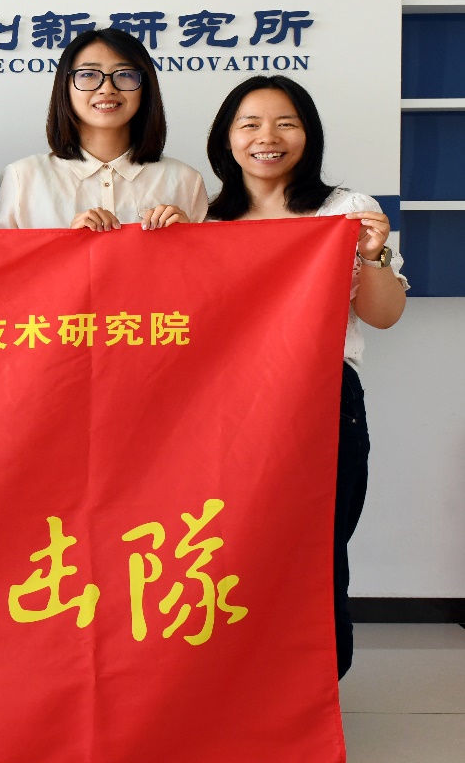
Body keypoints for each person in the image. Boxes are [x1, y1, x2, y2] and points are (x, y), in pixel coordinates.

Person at [205, 74, 408, 678]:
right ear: (227, 138)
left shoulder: (345, 210)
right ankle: (236, 690)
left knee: (316, 553)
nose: (267, 137)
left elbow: (384, 315)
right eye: (250, 124)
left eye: (285, 123)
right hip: (227, 408)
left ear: (308, 134)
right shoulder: (203, 218)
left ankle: (312, 698)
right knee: (232, 548)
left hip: (323, 399)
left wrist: (372, 255)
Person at [0, 28, 207, 231]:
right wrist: (66, 244)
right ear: (65, 86)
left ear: (145, 87)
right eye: (88, 74)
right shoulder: (23, 177)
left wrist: (186, 239)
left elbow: (205, 258)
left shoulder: (185, 180)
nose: (107, 88)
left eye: (125, 74)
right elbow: (5, 257)